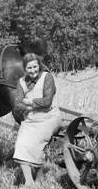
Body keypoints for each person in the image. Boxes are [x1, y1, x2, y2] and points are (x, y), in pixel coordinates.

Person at [13, 53, 62, 187]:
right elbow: (17, 104)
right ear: (25, 69)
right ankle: (29, 182)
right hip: (31, 119)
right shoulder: (21, 82)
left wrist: (29, 102)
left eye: (35, 67)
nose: (33, 70)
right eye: (29, 68)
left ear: (39, 66)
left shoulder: (47, 77)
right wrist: (29, 106)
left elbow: (47, 102)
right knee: (21, 145)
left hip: (49, 117)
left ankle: (39, 177)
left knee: (35, 143)